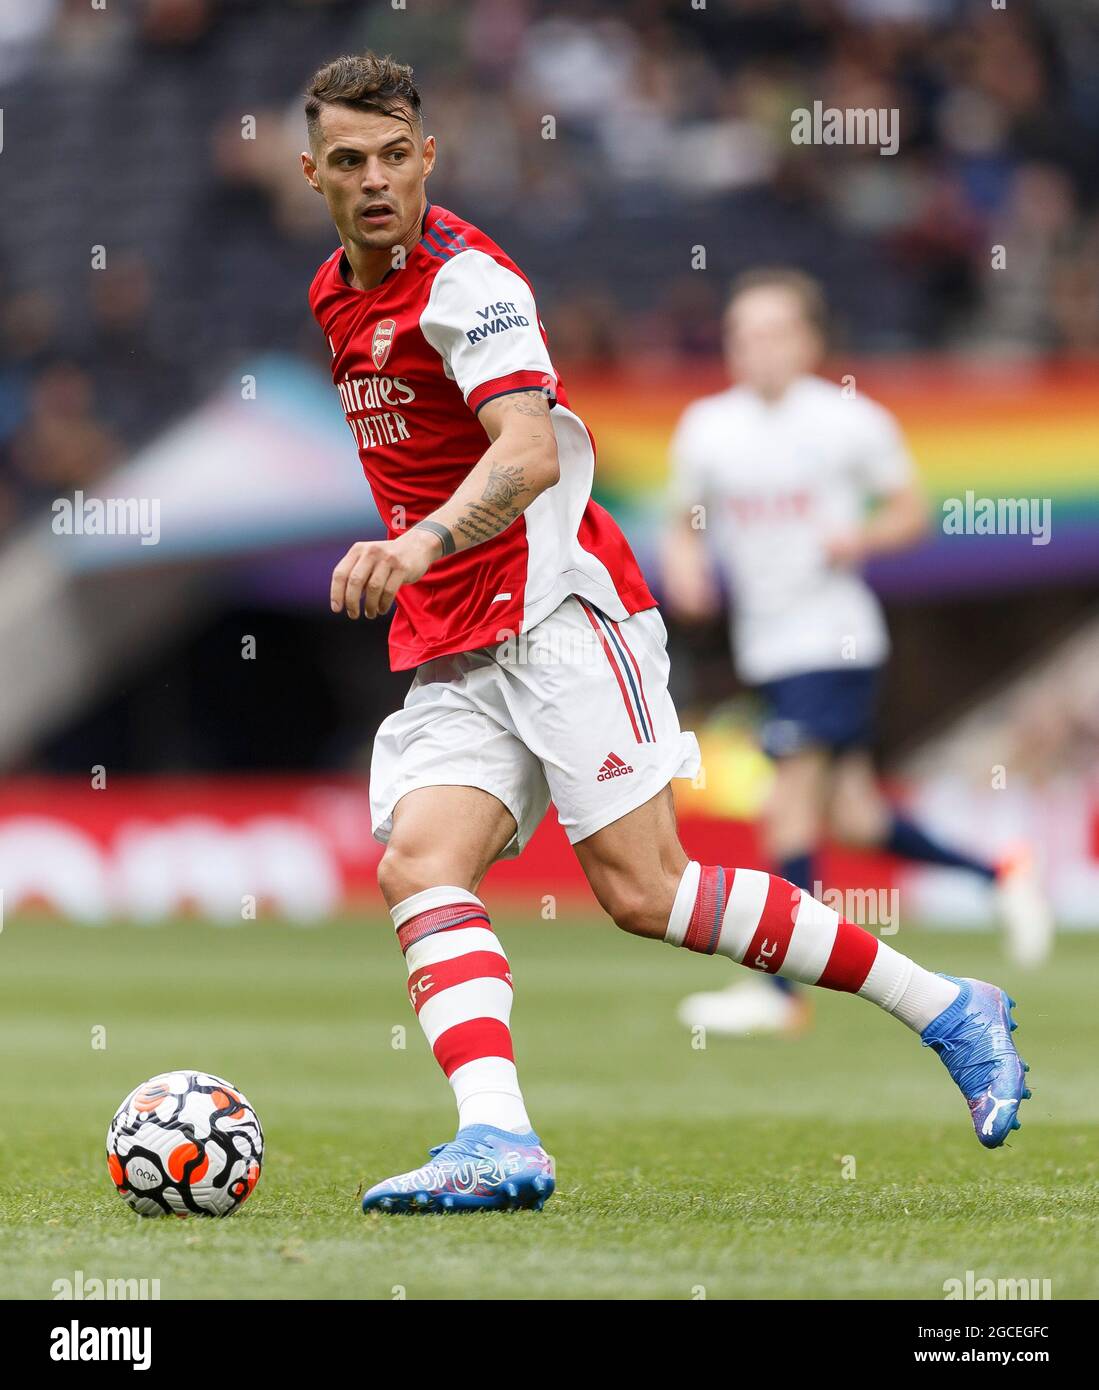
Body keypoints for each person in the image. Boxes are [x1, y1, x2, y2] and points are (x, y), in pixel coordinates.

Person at [300, 53, 1030, 1214]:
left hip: (557, 612)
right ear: (314, 174)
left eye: (396, 156)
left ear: (428, 158)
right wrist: (429, 569)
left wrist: (419, 545)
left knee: (645, 892)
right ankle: (498, 1138)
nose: (376, 180)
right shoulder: (333, 297)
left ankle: (945, 1005)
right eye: (350, 161)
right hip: (457, 640)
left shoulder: (470, 283)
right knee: (418, 862)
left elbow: (529, 451)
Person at [663, 271, 1053, 1040]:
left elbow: (909, 512)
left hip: (832, 638)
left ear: (809, 340)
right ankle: (1002, 874)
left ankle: (778, 992)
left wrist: (860, 536)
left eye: (774, 332)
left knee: (788, 802)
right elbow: (682, 522)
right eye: (743, 334)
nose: (758, 348)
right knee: (856, 816)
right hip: (767, 645)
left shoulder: (849, 421)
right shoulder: (706, 426)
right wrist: (685, 566)